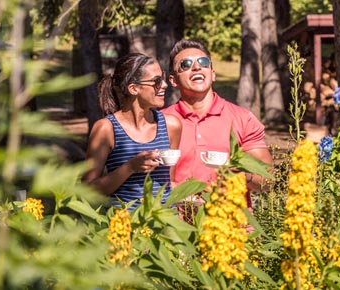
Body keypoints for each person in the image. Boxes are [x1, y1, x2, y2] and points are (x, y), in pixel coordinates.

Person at [161, 39, 273, 207]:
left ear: (212, 74)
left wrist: (239, 173)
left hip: (232, 227)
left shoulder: (243, 118)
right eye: (186, 64)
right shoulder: (159, 122)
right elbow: (146, 181)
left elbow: (267, 181)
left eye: (203, 62)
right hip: (176, 228)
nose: (197, 67)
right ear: (173, 80)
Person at [84, 53, 182, 211]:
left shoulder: (172, 125)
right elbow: (88, 191)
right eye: (156, 81)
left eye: (163, 78)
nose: (164, 85)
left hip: (165, 226)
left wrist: (194, 195)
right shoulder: (106, 128)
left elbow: (170, 183)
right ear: (134, 88)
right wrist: (130, 167)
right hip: (125, 229)